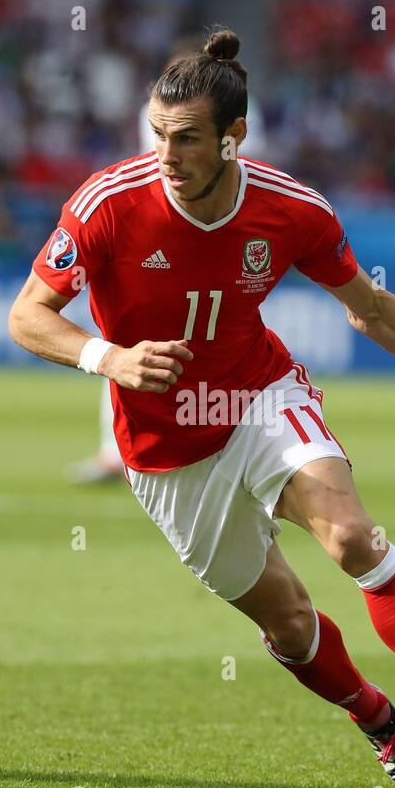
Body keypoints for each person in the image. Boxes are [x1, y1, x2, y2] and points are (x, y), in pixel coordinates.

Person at [8, 28, 395, 788]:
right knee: (293, 624)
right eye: (158, 135)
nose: (168, 155)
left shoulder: (291, 210)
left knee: (353, 537)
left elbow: (368, 309)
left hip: (259, 397)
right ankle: (386, 729)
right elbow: (28, 316)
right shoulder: (107, 203)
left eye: (188, 139)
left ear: (234, 136)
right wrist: (111, 358)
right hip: (167, 455)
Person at [68, 36, 267, 484]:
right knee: (124, 347)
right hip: (158, 237)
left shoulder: (240, 122)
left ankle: (237, 438)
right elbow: (159, 172)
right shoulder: (137, 155)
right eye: (162, 132)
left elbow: (245, 167)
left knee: (220, 341)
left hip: (224, 233)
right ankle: (114, 450)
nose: (169, 147)